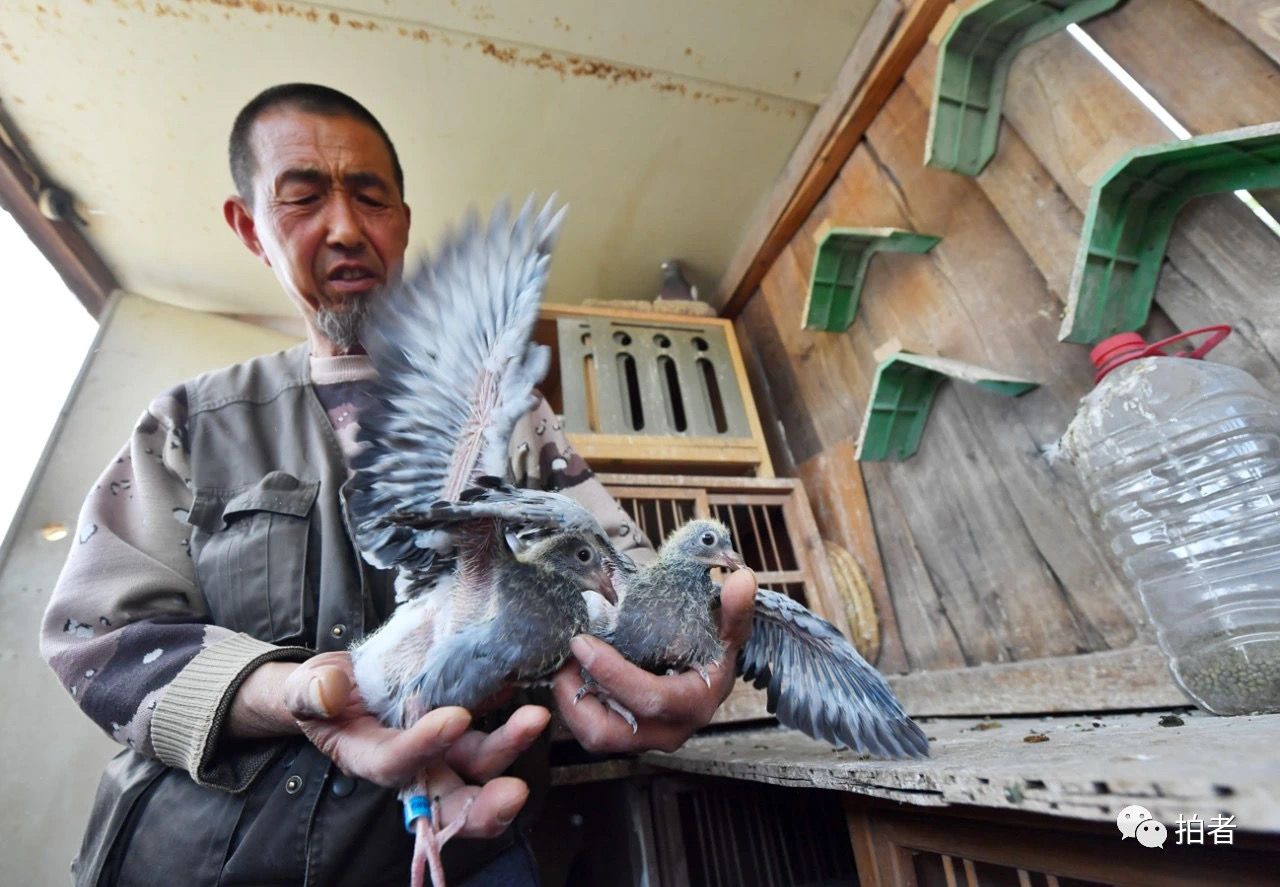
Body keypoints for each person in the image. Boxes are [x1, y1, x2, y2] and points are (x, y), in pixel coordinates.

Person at [40, 83, 758, 886]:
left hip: (469, 845)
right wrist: (290, 692)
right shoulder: (185, 425)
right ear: (250, 226)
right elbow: (96, 639)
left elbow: (617, 580)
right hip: (199, 860)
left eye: (370, 195)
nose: (345, 226)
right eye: (303, 196)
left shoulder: (517, 422)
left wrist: (674, 667)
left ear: (404, 223)